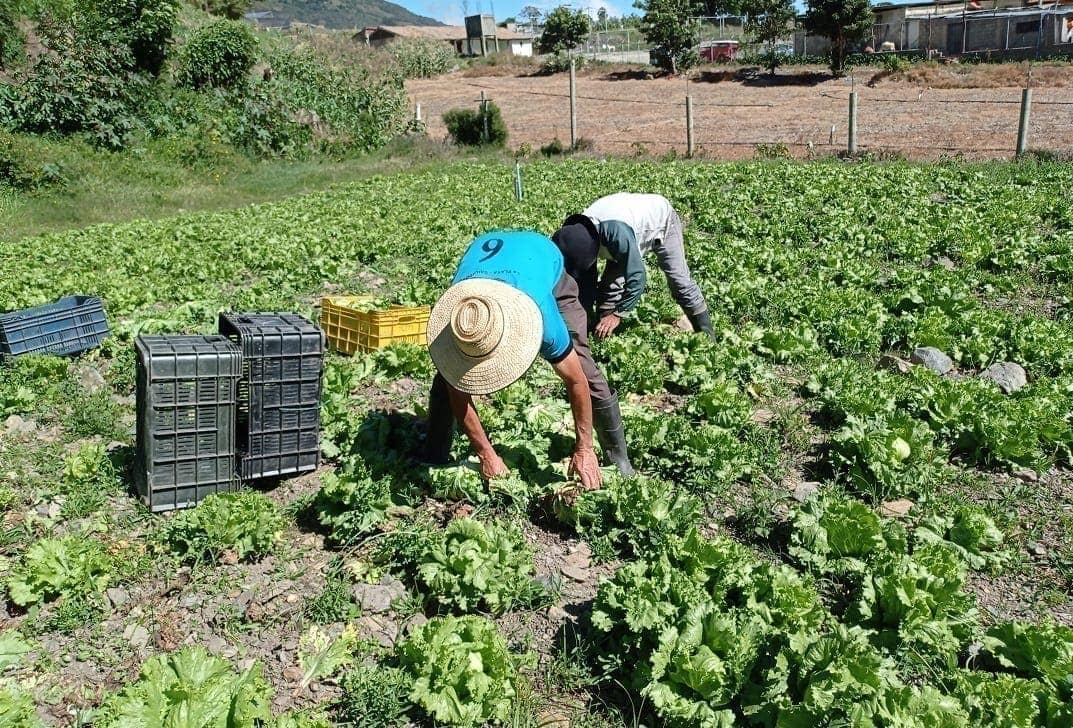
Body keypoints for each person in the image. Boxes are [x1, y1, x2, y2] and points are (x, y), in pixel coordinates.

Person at [422, 230, 635, 485]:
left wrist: (584, 448)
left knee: (582, 363)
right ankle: (436, 449)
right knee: (449, 373)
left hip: (541, 256)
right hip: (486, 253)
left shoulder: (543, 321)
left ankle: (617, 456)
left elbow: (575, 381)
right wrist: (486, 454)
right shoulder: (458, 317)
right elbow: (457, 388)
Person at [552, 192, 715, 339]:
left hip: (662, 221)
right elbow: (583, 284)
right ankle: (604, 336)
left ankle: (707, 337)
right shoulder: (578, 235)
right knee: (610, 289)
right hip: (629, 231)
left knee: (680, 282)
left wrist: (618, 315)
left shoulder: (616, 235)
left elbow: (638, 277)